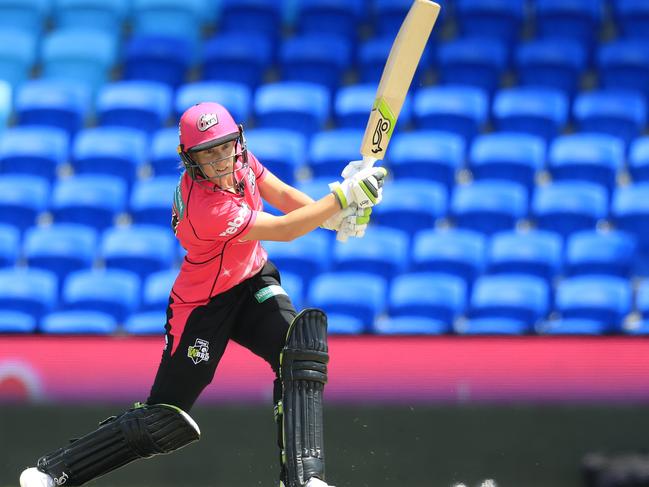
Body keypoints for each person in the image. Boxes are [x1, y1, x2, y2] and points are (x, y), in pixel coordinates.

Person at [19, 102, 387, 487]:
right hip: (204, 307)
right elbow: (285, 230)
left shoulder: (239, 160)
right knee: (165, 418)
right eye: (207, 153)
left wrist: (331, 216)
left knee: (297, 351)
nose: (219, 159)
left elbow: (279, 192)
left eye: (225, 146)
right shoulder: (205, 206)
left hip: (252, 279)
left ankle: (303, 479)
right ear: (189, 159)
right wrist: (342, 200)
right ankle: (54, 472)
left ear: (237, 141)